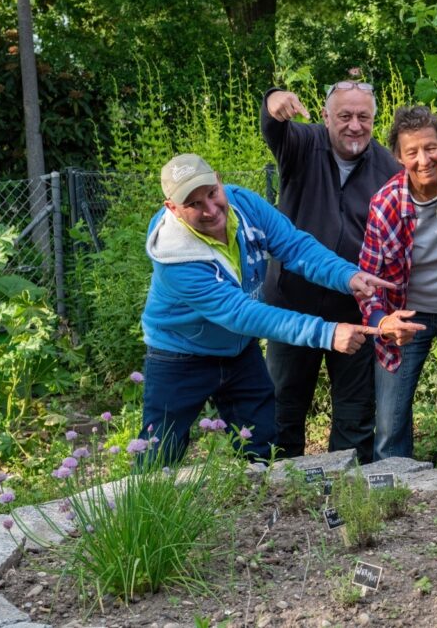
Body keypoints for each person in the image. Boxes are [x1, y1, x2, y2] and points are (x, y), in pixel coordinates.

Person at [141, 153, 391, 464]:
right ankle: (150, 511)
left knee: (261, 445)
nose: (209, 208)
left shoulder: (244, 204)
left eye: (211, 193)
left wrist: (347, 275)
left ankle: (261, 509)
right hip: (179, 354)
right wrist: (327, 333)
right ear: (173, 209)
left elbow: (294, 245)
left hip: (237, 351)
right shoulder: (174, 258)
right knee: (159, 452)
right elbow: (243, 314)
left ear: (219, 180)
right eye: (193, 204)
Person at [260, 80, 403, 464]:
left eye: (363, 117)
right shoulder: (302, 145)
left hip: (355, 310)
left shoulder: (388, 166)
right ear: (325, 118)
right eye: (344, 116)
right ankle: (282, 489)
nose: (354, 125)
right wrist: (273, 99)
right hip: (293, 307)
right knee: (283, 407)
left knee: (355, 416)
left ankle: (347, 496)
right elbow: (274, 126)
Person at [359, 106, 437, 465]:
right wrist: (384, 323)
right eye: (412, 152)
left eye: (431, 148)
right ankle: (396, 495)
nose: (424, 159)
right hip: (408, 314)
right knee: (391, 421)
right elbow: (368, 279)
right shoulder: (385, 205)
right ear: (399, 156)